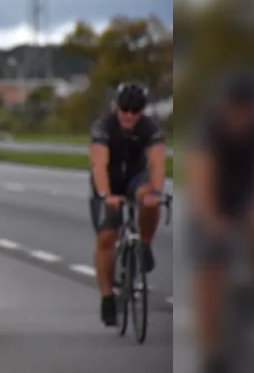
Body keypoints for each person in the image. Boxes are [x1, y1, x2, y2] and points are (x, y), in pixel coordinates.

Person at [186, 74, 254, 373]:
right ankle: (211, 349)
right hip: (213, 196)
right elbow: (200, 182)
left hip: (246, 195)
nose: (241, 118)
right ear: (225, 107)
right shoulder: (209, 129)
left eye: (247, 111)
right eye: (236, 110)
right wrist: (212, 221)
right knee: (209, 269)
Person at [88, 82, 166, 327]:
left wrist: (155, 191)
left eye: (136, 110)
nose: (129, 115)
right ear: (116, 106)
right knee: (106, 238)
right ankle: (107, 297)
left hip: (135, 178)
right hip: (108, 180)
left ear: (143, 110)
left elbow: (156, 164)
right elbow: (99, 165)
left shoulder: (150, 128)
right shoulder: (104, 126)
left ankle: (144, 245)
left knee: (150, 199)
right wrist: (105, 194)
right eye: (125, 109)